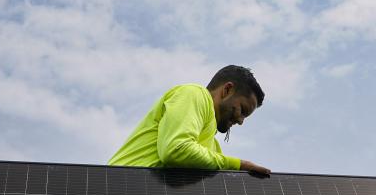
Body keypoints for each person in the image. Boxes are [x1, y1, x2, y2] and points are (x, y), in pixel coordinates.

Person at [108, 65, 271, 175]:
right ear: (227, 90)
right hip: (119, 189)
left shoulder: (212, 148)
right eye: (241, 110)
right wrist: (239, 165)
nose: (240, 121)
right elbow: (176, 149)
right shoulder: (194, 94)